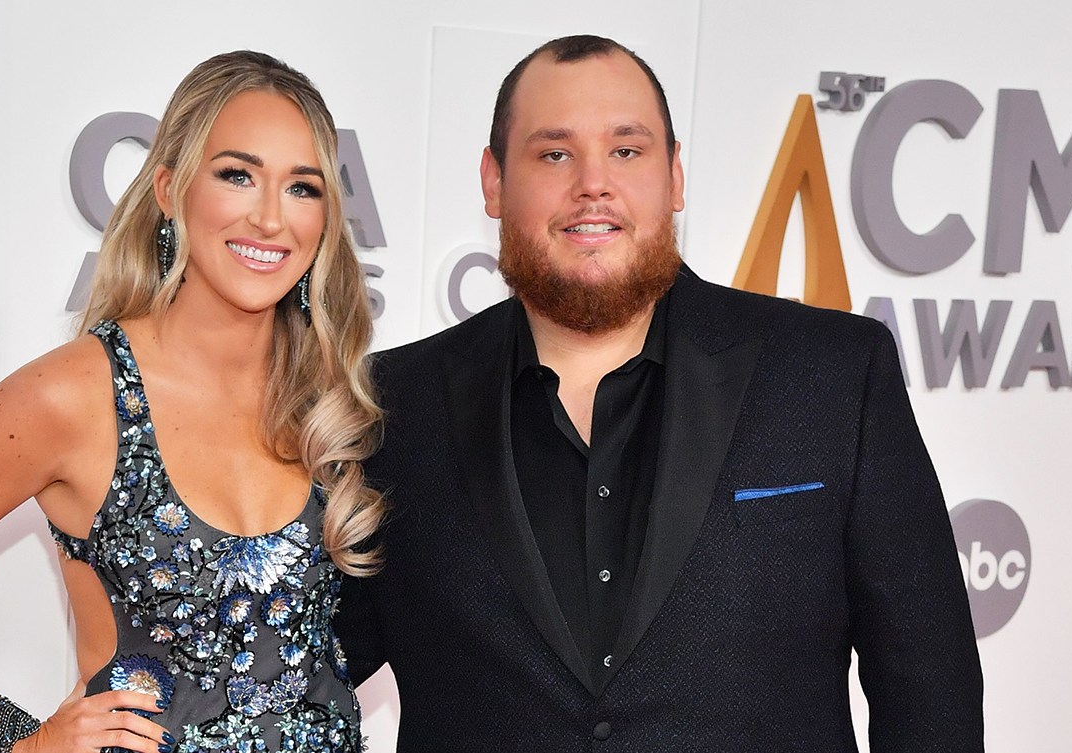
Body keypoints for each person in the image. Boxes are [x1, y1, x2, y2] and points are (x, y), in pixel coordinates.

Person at [335, 35, 984, 751]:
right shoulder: (388, 409)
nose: (593, 184)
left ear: (674, 176)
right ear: (493, 181)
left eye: (626, 150)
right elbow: (302, 668)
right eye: (554, 154)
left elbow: (930, 691)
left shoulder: (831, 374)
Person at [0, 50, 382, 753]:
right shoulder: (73, 397)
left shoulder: (333, 401)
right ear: (169, 189)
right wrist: (18, 742)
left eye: (302, 187)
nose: (271, 218)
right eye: (237, 175)